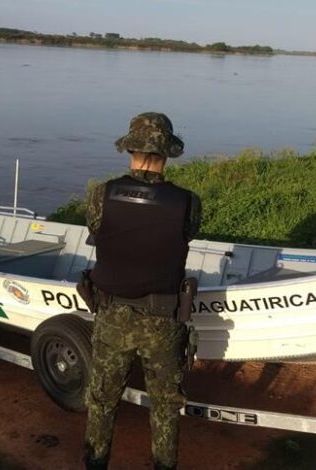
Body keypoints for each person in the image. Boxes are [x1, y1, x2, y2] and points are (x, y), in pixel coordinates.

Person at [82, 112, 201, 470]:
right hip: (164, 323)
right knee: (165, 408)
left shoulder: (102, 194)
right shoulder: (187, 202)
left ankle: (95, 464)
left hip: (112, 317)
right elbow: (185, 235)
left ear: (130, 148)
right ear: (167, 152)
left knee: (102, 402)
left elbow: (97, 230)